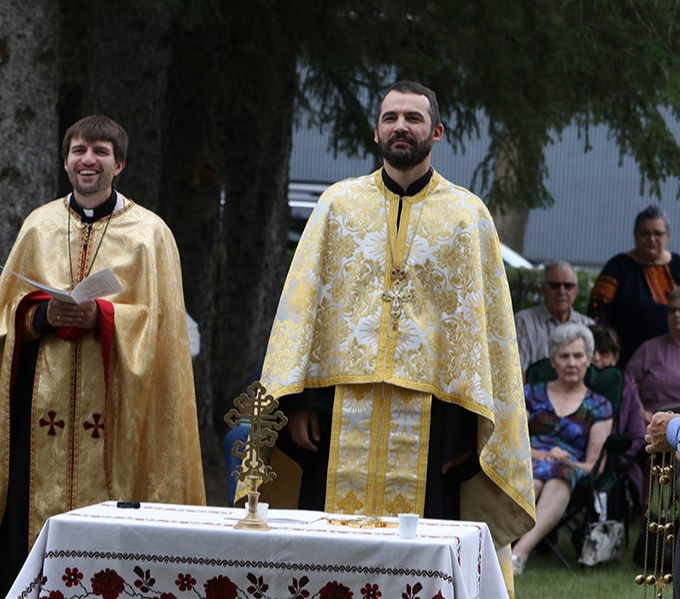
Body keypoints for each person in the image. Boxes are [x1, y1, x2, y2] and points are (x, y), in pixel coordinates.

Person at [257, 81, 534, 588]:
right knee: (328, 562)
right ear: (376, 129)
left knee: (421, 567)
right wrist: (302, 406)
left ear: (437, 131)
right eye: (390, 117)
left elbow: (480, 336)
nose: (400, 127)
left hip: (433, 426)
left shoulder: (468, 215)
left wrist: (465, 434)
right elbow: (307, 316)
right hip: (338, 418)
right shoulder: (337, 206)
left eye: (413, 118)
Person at [0, 115, 205, 596]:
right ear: (66, 161)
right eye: (80, 150)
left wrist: (104, 318)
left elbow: (165, 335)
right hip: (39, 414)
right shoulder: (38, 227)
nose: (89, 159)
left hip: (117, 417)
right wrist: (43, 318)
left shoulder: (151, 234)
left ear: (119, 163)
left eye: (101, 151)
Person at [510, 324, 613, 573]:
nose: (571, 362)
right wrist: (545, 456)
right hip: (529, 461)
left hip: (570, 470)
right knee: (534, 482)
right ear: (552, 360)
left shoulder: (599, 405)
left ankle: (518, 553)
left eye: (578, 356)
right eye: (564, 356)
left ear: (588, 359)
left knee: (559, 476)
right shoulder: (530, 393)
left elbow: (593, 464)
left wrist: (560, 462)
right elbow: (514, 443)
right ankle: (501, 548)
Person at [589, 204, 680, 368]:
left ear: (668, 237)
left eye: (658, 233)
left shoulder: (678, 265)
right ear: (635, 236)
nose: (651, 239)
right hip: (625, 360)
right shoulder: (618, 267)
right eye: (645, 233)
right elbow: (597, 313)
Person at [588, 323, 646, 508]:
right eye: (592, 352)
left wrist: (614, 461)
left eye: (603, 353)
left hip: (612, 463)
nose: (596, 359)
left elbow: (637, 435)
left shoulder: (626, 386)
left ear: (615, 357)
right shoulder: (573, 380)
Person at [514, 261, 594, 373]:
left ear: (576, 290)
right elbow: (517, 374)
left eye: (568, 286)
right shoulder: (523, 323)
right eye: (555, 286)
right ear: (543, 289)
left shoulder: (589, 326)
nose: (562, 291)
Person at [626, 286, 680, 423]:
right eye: (672, 310)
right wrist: (640, 411)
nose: (676, 315)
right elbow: (626, 384)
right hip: (656, 425)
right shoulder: (649, 349)